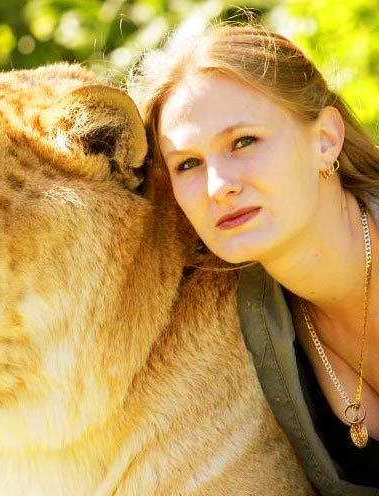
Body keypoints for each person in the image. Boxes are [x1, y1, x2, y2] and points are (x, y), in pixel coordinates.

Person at [128, 24, 379, 495]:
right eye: (188, 164)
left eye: (243, 142)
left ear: (325, 138)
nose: (218, 185)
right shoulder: (255, 321)